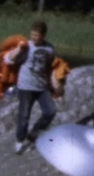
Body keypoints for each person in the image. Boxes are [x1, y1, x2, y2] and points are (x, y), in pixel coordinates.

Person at [4, 20, 59, 154]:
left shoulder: (49, 49)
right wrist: (18, 49)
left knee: (50, 111)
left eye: (36, 35)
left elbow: (50, 68)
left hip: (42, 87)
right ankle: (19, 141)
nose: (33, 37)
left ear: (43, 35)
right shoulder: (26, 46)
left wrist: (55, 84)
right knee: (24, 115)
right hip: (26, 86)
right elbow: (8, 60)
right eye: (32, 34)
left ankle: (34, 132)